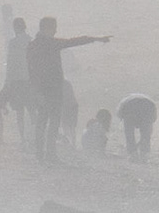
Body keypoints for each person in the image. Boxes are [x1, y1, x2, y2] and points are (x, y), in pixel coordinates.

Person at [25, 17, 109, 164]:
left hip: (42, 89)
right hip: (53, 89)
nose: (56, 30)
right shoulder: (51, 43)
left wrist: (35, 91)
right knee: (52, 122)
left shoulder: (32, 45)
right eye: (54, 27)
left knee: (42, 122)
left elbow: (31, 71)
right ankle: (50, 154)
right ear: (47, 28)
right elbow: (73, 41)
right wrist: (95, 38)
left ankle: (40, 154)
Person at [0, 7, 33, 144]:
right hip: (30, 82)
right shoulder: (31, 41)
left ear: (15, 28)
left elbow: (11, 66)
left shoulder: (13, 44)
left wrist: (6, 85)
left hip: (18, 83)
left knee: (20, 112)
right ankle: (35, 135)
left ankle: (23, 138)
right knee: (32, 110)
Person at [115, 93, 158, 163]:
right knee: (146, 135)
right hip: (148, 106)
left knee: (129, 133)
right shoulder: (149, 102)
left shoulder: (124, 101)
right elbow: (152, 122)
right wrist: (144, 138)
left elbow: (120, 115)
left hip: (129, 107)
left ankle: (133, 153)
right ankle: (144, 154)